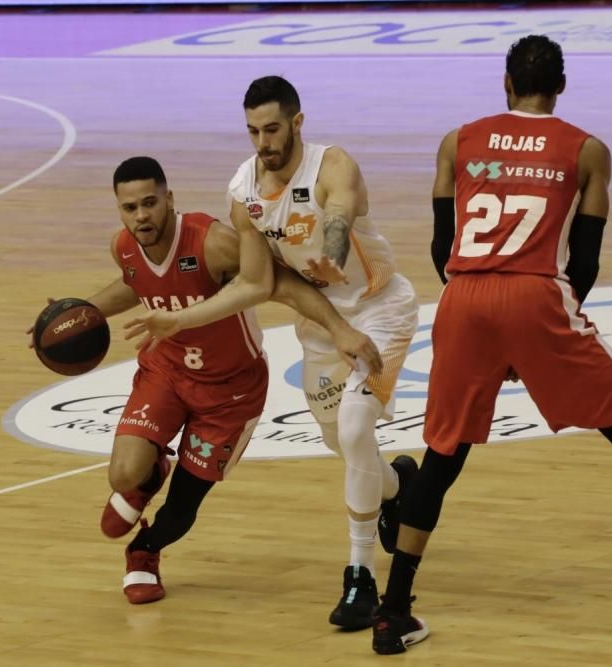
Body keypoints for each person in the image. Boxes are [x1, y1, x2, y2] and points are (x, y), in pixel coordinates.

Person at [370, 35, 612, 654]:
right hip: (537, 296)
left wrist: (487, 328)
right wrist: (529, 334)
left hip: (462, 297)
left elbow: (440, 247)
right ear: (560, 87)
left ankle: (393, 610)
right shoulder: (588, 151)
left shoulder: (456, 142)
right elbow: (584, 263)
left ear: (505, 83)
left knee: (443, 452)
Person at [124, 77, 420, 629]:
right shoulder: (243, 192)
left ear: (297, 123)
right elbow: (257, 283)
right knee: (343, 442)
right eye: (254, 131)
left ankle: (361, 578)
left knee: (356, 430)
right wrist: (177, 321)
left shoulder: (333, 165)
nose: (263, 142)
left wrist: (331, 256)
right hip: (319, 325)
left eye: (273, 129)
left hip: (378, 307)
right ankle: (400, 487)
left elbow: (336, 214)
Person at [28, 156, 382, 605]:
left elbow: (284, 286)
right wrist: (82, 311)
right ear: (119, 209)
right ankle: (150, 470)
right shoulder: (124, 246)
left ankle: (145, 550)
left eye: (150, 204)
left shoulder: (213, 242)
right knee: (122, 475)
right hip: (167, 373)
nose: (141, 216)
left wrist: (339, 329)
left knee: (179, 512)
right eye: (130, 208)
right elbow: (134, 282)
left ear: (169, 200)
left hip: (232, 392)